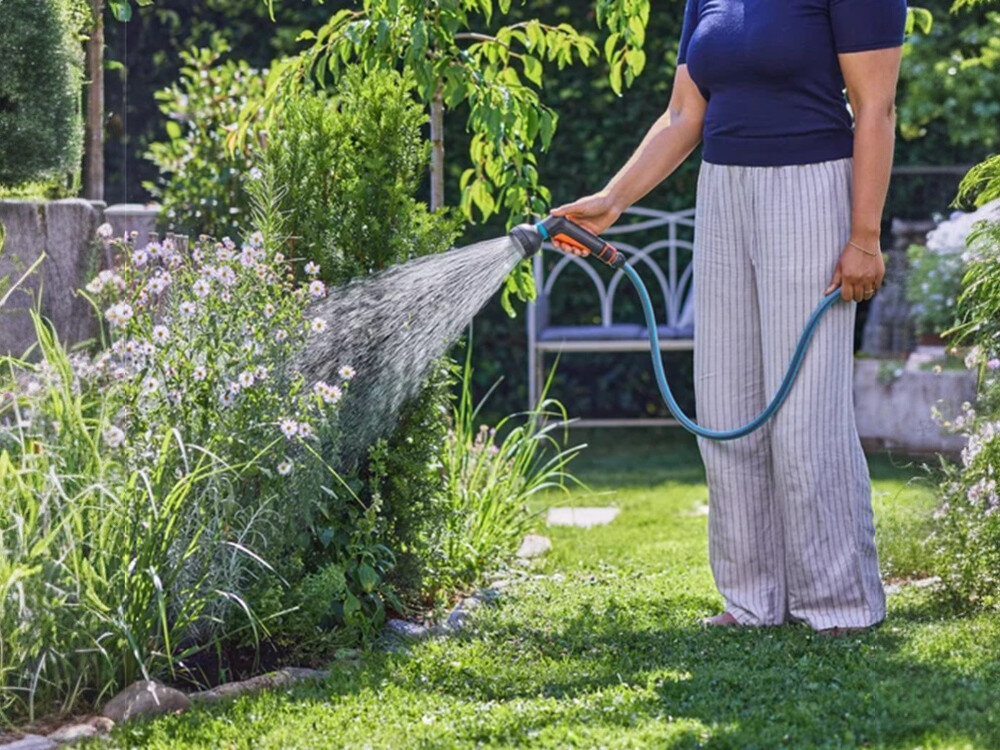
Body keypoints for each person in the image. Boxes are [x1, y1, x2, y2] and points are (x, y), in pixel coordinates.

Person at [551, 0, 907, 634]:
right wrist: (612, 199)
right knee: (727, 410)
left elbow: (875, 107)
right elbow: (685, 114)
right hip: (720, 194)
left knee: (804, 417)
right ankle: (752, 601)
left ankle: (838, 604)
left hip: (810, 188)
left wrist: (864, 235)